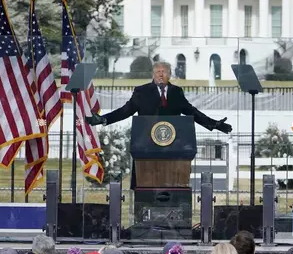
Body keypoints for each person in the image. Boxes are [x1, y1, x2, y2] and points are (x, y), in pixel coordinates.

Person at [84, 62, 233, 189]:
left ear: (170, 75)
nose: (160, 75)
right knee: (145, 189)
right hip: (146, 148)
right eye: (157, 72)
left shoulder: (176, 92)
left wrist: (213, 124)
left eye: (164, 72)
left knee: (172, 186)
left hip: (173, 149)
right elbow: (125, 111)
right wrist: (103, 119)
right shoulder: (141, 91)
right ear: (152, 75)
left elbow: (191, 111)